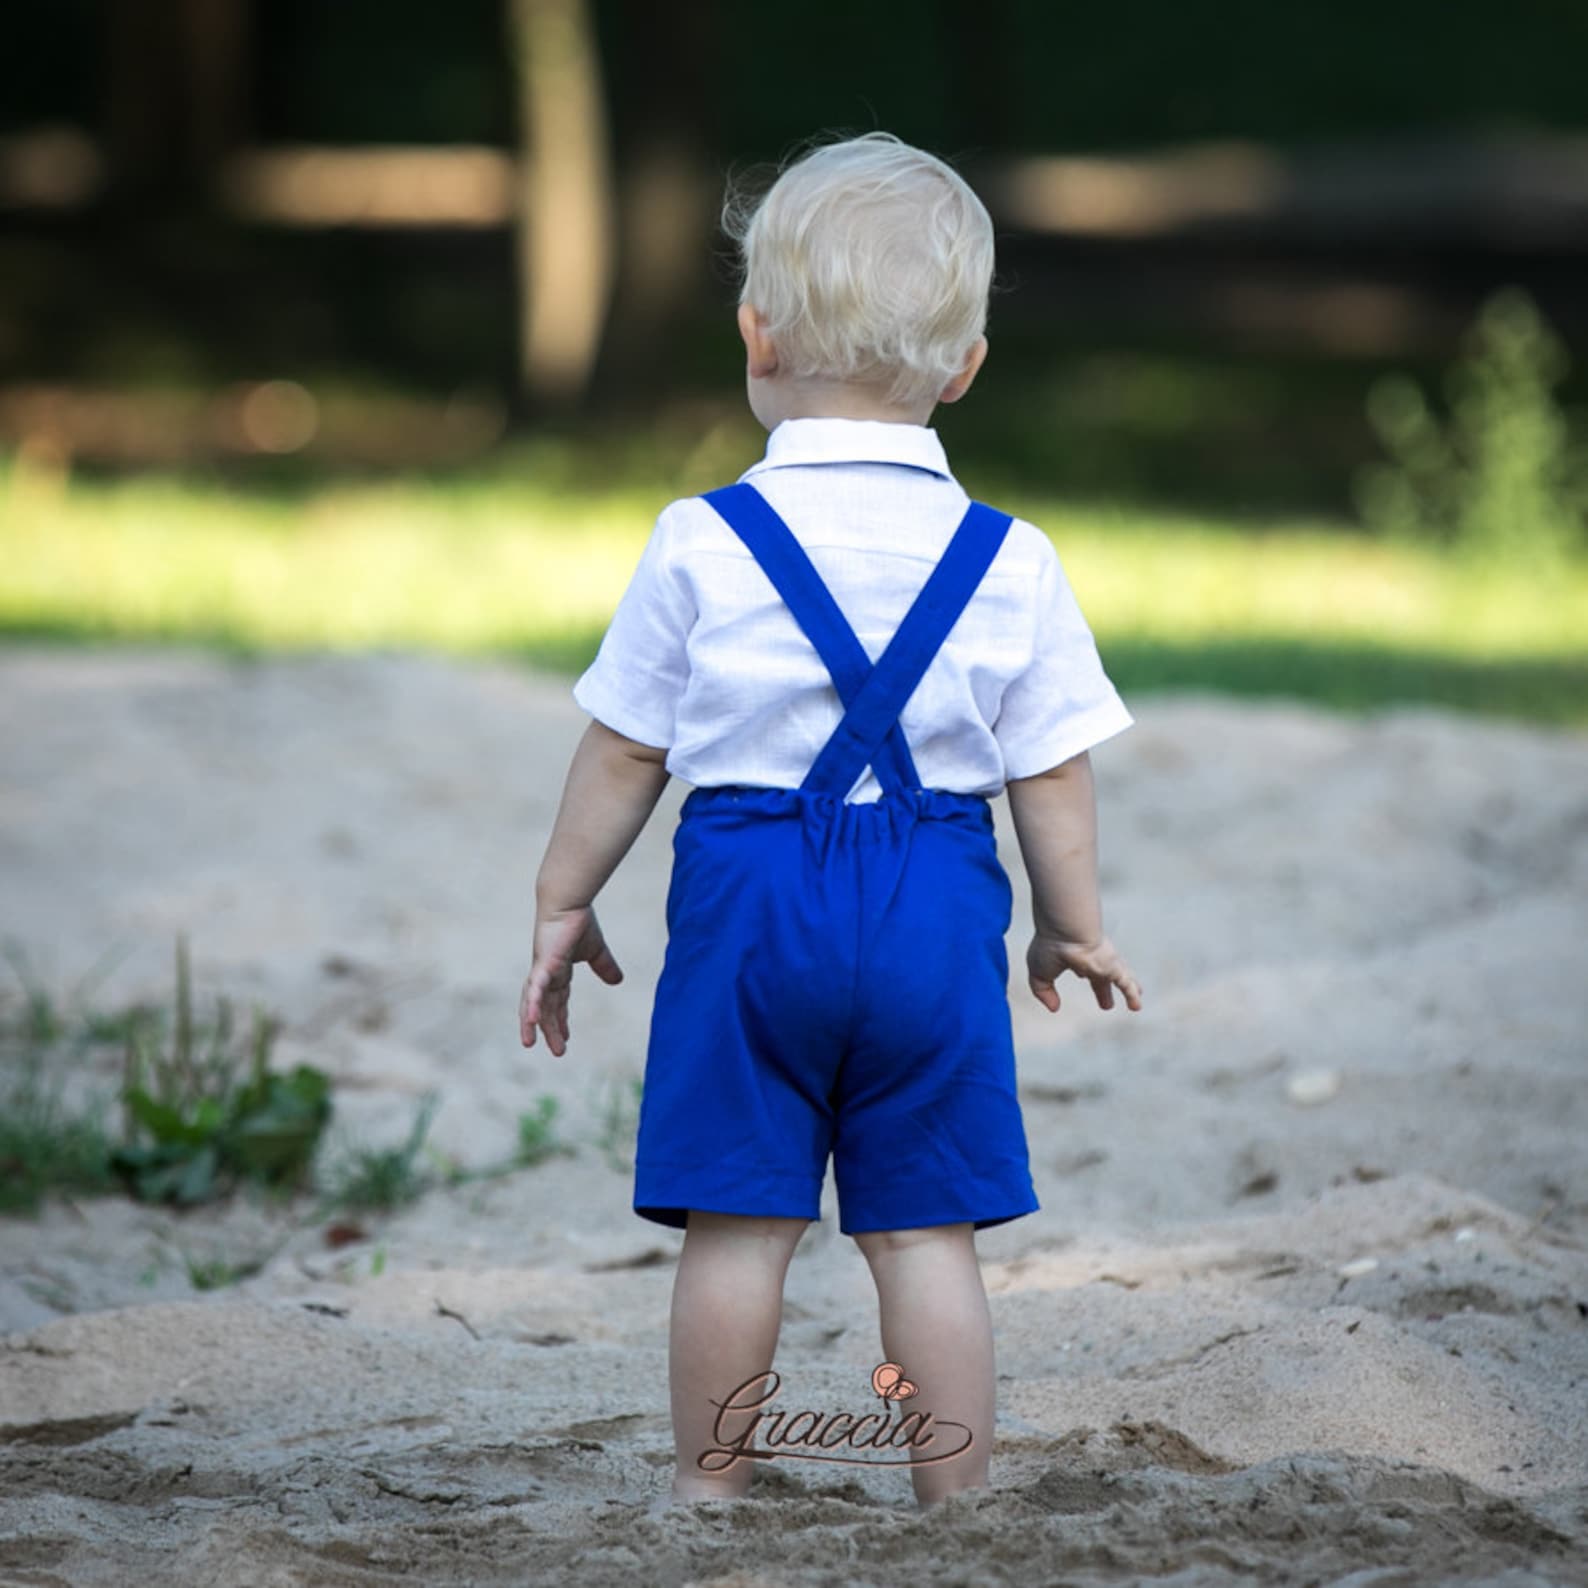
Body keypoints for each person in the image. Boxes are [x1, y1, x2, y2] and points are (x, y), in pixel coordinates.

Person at [519, 131, 1143, 1512]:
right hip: (933, 905)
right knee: (927, 1237)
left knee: (739, 1229)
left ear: (755, 333)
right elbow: (1052, 771)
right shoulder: (1012, 561)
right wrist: (1071, 928)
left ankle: (710, 1489)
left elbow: (627, 746)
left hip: (751, 910)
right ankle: (957, 1508)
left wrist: (566, 898)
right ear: (966, 368)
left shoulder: (701, 538)